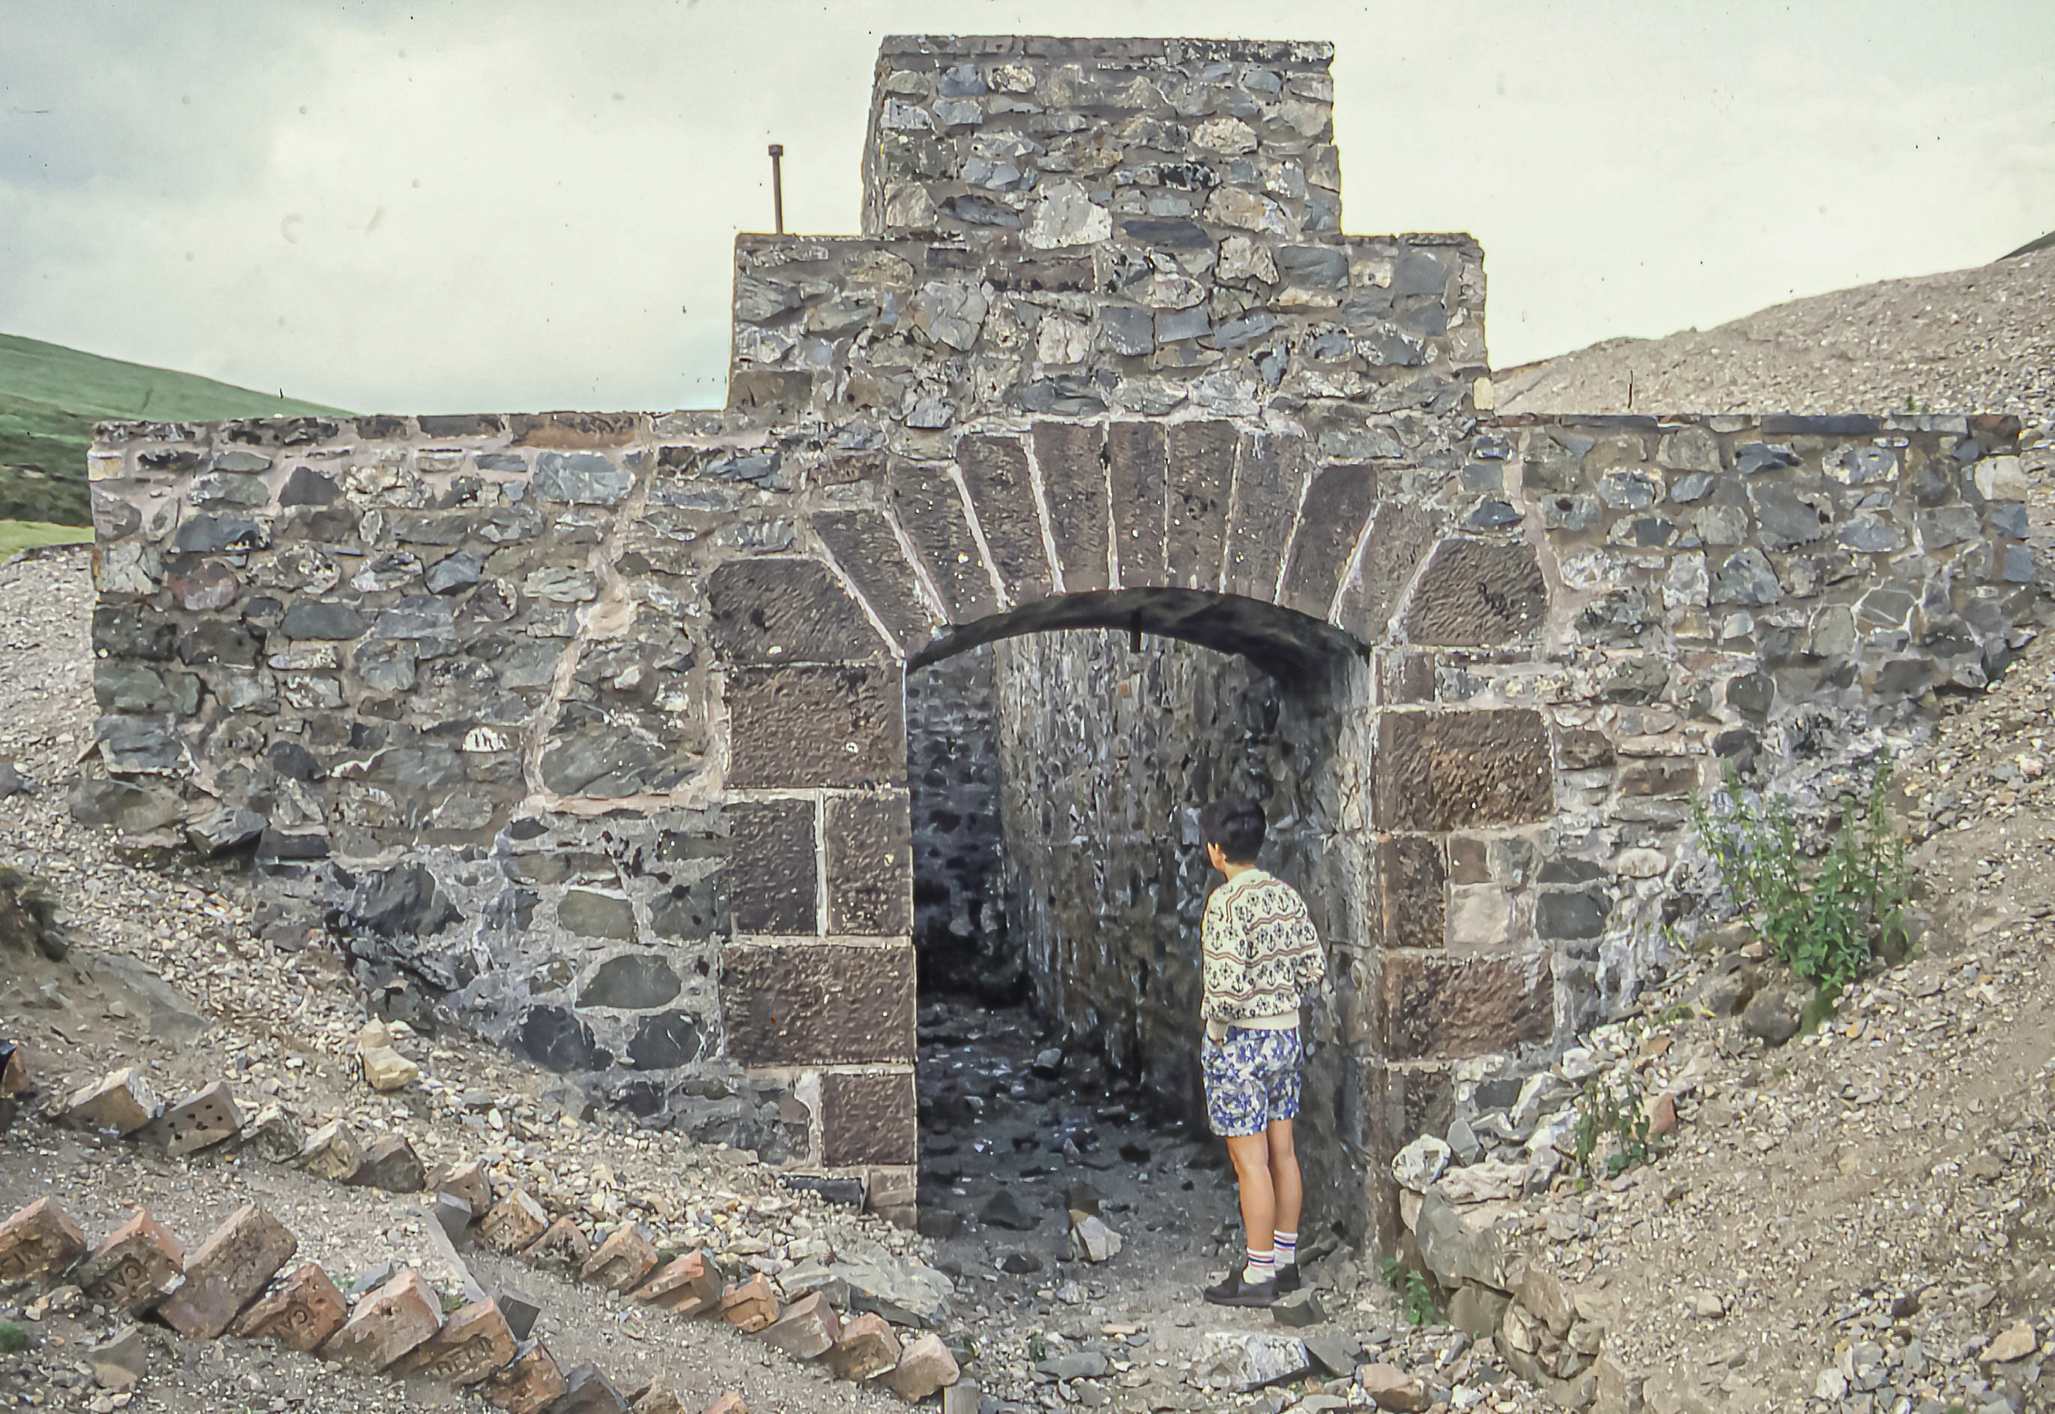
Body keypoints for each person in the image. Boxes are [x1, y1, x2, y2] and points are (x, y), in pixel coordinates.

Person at [1195, 796, 1326, 1308]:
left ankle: (1257, 1270)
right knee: (1283, 1151)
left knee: (1250, 1161)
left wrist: (1216, 1033)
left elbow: (1224, 989)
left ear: (1215, 851)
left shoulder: (1225, 905)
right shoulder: (1286, 897)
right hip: (1285, 1035)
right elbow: (1313, 968)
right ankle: (1287, 1260)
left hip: (1242, 1041)